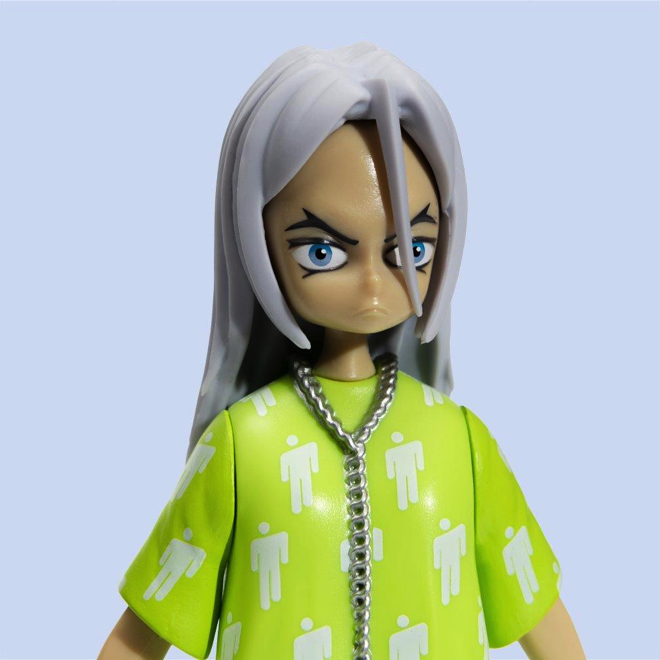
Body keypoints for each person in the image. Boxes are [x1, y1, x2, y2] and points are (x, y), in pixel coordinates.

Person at [99, 43, 585, 660]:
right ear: (256, 238)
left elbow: (542, 618)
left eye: (410, 250)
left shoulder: (462, 442)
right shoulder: (240, 445)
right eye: (323, 252)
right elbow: (143, 631)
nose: (374, 286)